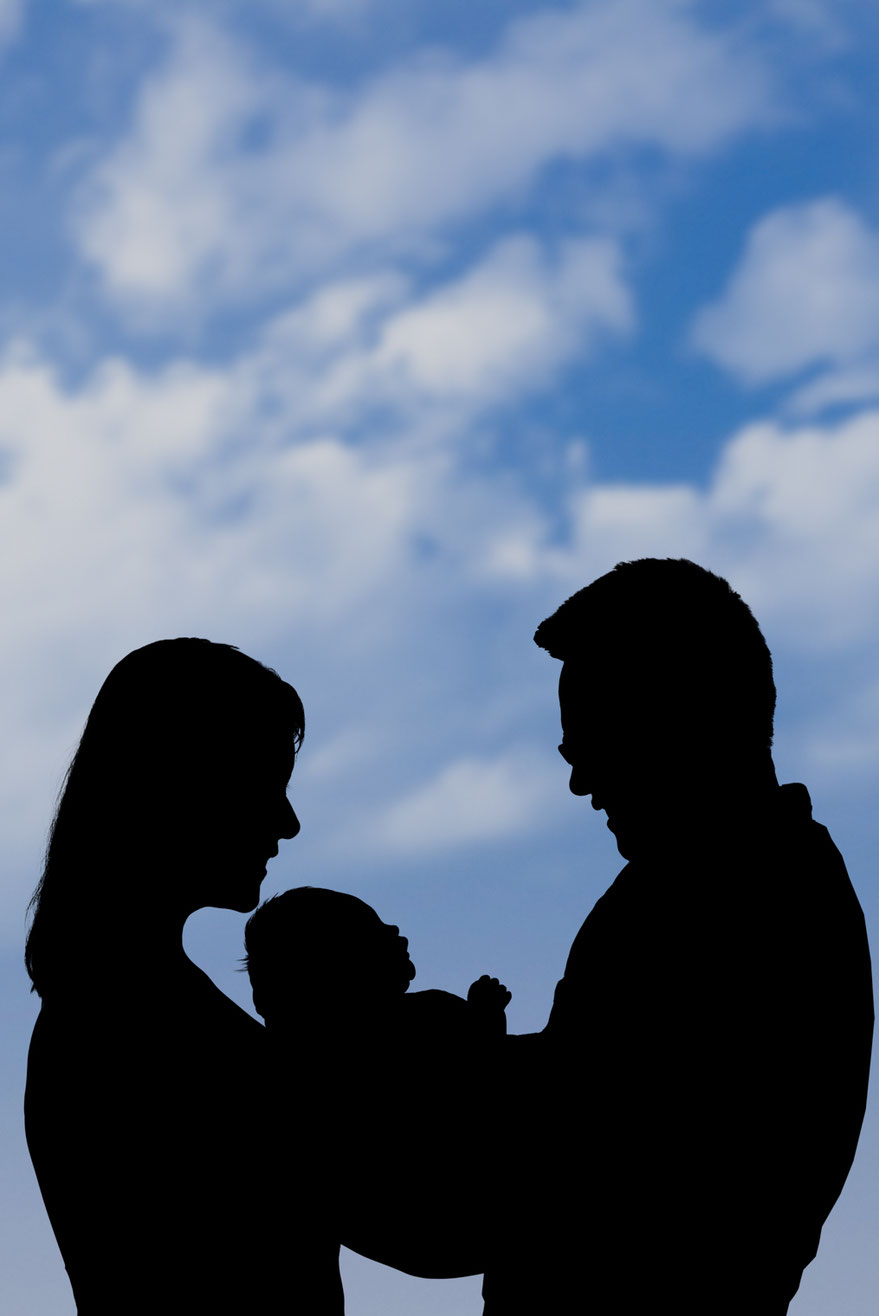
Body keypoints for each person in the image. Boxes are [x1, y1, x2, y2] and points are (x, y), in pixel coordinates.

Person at [484, 558, 874, 1315]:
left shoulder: (739, 901)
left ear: (684, 715)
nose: (578, 782)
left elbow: (604, 1147)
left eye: (596, 741)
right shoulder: (701, 888)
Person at [24, 638, 342, 1314]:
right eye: (264, 787)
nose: (287, 823)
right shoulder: (138, 1030)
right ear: (181, 789)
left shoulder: (112, 1011)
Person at [243, 886, 510, 1286]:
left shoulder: (303, 1066)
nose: (396, 930)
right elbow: (490, 1084)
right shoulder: (417, 1026)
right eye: (374, 929)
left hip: (432, 1231)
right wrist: (486, 1024)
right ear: (333, 967)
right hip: (458, 1211)